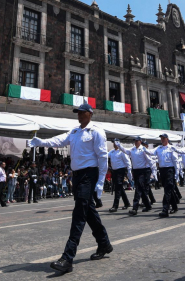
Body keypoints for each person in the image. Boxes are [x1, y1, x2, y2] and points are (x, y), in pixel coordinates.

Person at [27, 103, 112, 274]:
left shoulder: (97, 131)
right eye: (77, 113)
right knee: (88, 211)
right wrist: (41, 142)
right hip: (78, 175)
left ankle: (67, 257)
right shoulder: (75, 131)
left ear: (90, 113)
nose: (79, 115)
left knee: (79, 213)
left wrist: (100, 182)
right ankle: (104, 243)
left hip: (90, 174)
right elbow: (58, 140)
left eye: (81, 113)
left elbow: (103, 157)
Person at [144, 133, 180, 218]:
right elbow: (151, 152)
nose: (162, 140)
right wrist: (143, 148)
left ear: (167, 139)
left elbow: (175, 161)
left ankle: (165, 209)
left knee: (167, 190)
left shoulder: (171, 148)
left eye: (164, 138)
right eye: (161, 138)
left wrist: (177, 172)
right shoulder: (158, 148)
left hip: (170, 170)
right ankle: (174, 206)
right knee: (168, 189)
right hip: (162, 170)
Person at [119, 136, 154, 215]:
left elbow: (149, 160)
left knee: (138, 189)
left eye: (137, 141)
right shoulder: (133, 149)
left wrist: (153, 171)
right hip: (136, 171)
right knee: (141, 189)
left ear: (140, 141)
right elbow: (125, 150)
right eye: (135, 141)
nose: (136, 142)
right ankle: (148, 205)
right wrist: (119, 146)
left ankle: (135, 208)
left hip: (143, 171)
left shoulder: (143, 149)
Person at [107, 139, 132, 212]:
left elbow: (128, 161)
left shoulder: (122, 152)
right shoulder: (112, 151)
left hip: (121, 171)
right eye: (113, 143)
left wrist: (129, 171)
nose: (114, 144)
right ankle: (126, 203)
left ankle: (115, 206)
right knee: (119, 187)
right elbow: (105, 155)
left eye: (115, 143)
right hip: (114, 171)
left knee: (117, 188)